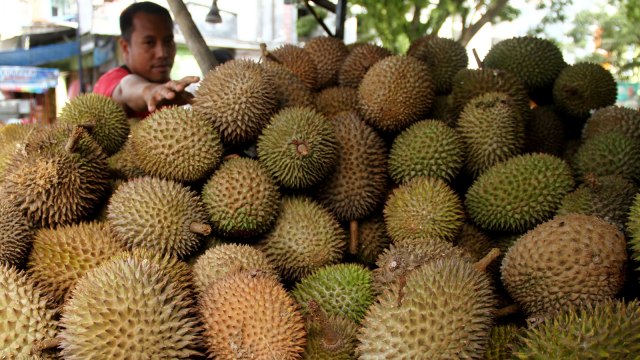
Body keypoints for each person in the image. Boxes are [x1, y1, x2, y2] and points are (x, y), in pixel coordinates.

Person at [93, 1, 199, 118]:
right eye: (149, 42)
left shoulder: (171, 93)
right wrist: (147, 91)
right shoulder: (111, 80)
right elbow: (126, 88)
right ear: (125, 47)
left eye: (168, 41)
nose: (162, 53)